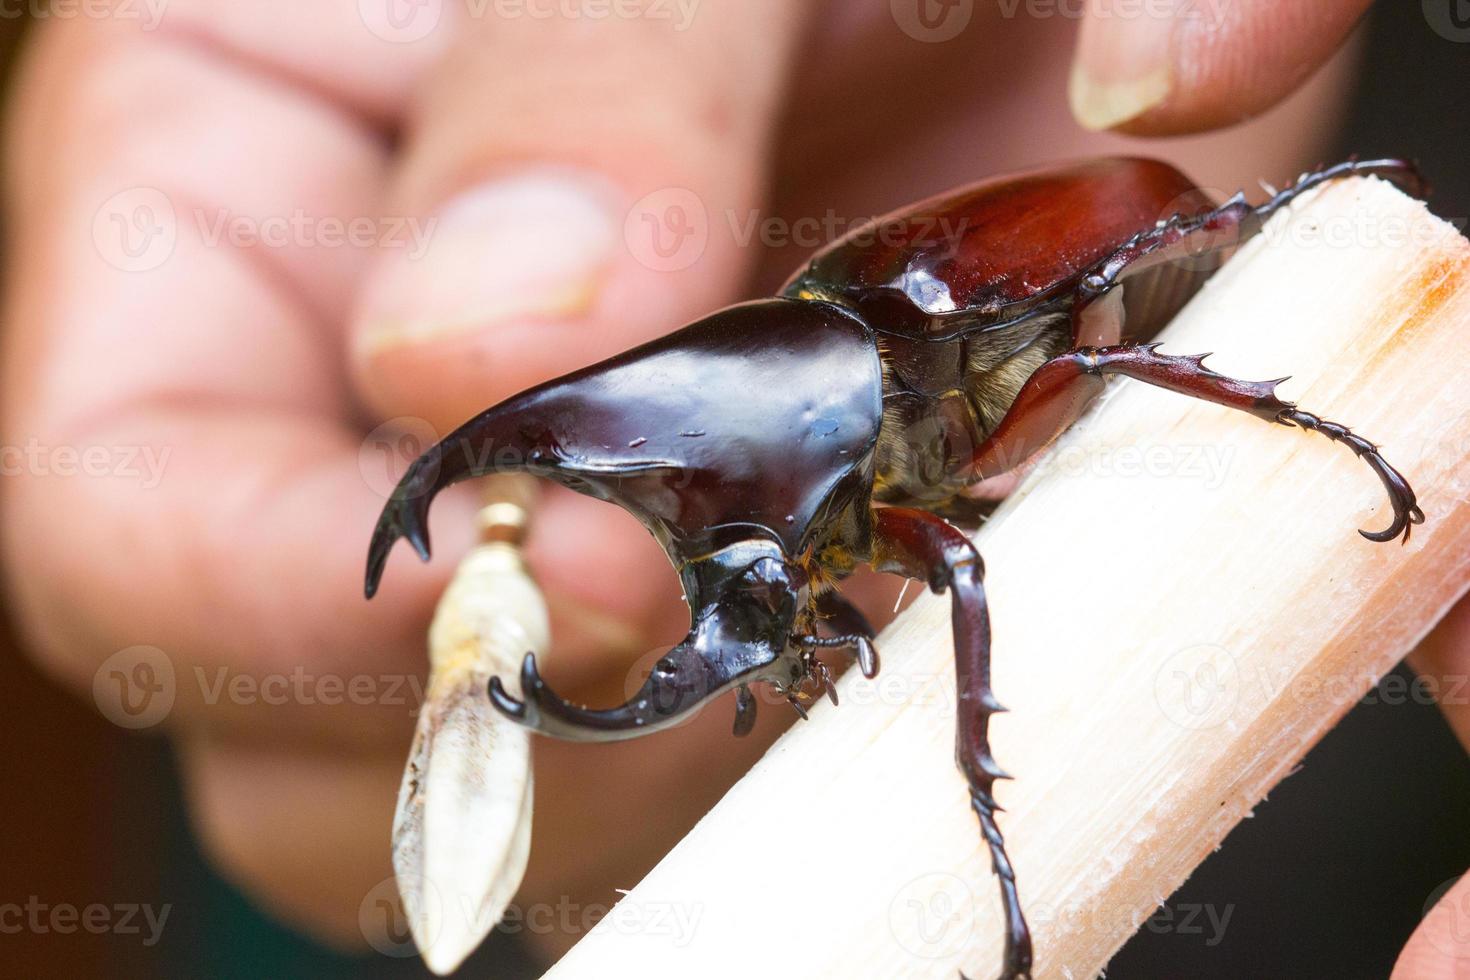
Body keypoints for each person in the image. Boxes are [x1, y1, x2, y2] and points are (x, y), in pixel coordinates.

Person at [1, 1, 1462, 974]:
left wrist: (1256, 245)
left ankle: (983, 797)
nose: (741, 604)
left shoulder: (908, 335)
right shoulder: (831, 429)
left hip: (1161, 229)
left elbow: (1004, 486)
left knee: (993, 517)